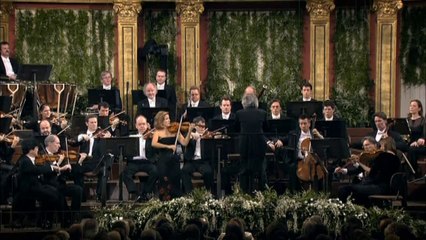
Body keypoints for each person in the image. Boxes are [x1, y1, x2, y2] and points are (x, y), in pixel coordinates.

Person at [14, 139, 64, 229]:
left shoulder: (32, 159)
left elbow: (38, 169)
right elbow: (36, 170)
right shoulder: (24, 160)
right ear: (31, 149)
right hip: (29, 189)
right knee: (52, 195)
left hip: (35, 186)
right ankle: (45, 220)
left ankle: (45, 220)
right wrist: (52, 167)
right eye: (36, 148)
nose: (38, 150)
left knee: (55, 192)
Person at [338, 136, 400, 206]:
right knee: (357, 190)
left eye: (381, 145)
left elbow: (373, 175)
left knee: (345, 189)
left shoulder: (382, 156)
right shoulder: (396, 158)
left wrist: (364, 182)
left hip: (380, 187)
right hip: (389, 188)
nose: (380, 147)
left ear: (384, 146)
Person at [270, 114, 324, 192]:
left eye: (305, 123)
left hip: (313, 161)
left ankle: (319, 193)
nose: (303, 126)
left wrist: (319, 135)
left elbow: (324, 142)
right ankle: (295, 193)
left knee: (320, 171)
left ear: (309, 124)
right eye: (301, 124)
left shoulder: (314, 134)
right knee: (292, 169)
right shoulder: (294, 133)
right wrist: (278, 141)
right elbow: (282, 138)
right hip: (298, 160)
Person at [151, 111, 194, 200]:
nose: (169, 120)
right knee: (164, 181)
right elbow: (154, 143)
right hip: (163, 159)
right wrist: (168, 146)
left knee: (175, 180)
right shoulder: (157, 132)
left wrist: (189, 131)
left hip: (174, 160)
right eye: (166, 119)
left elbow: (184, 143)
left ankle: (175, 200)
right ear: (161, 121)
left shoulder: (175, 130)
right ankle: (164, 200)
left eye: (169, 118)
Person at [42, 135, 82, 225]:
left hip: (60, 184)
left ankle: (74, 216)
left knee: (78, 190)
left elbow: (63, 175)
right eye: (57, 143)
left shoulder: (58, 155)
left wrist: (68, 170)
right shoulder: (42, 155)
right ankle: (65, 220)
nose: (59, 146)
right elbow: (46, 172)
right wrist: (59, 163)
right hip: (49, 185)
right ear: (50, 144)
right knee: (59, 194)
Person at [72, 114, 113, 201]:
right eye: (91, 122)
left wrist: (108, 138)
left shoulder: (102, 134)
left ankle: (99, 196)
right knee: (75, 170)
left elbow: (109, 148)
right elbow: (72, 142)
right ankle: (82, 196)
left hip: (98, 162)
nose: (94, 124)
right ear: (87, 123)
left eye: (95, 122)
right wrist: (81, 137)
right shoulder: (82, 134)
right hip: (85, 162)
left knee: (104, 171)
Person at [236, 93, 268, 193]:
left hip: (244, 146)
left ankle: (243, 194)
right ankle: (262, 194)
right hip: (259, 146)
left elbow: (235, 129)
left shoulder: (239, 113)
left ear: (244, 103)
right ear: (256, 102)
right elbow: (266, 128)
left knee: (243, 170)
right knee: (260, 170)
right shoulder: (262, 113)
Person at [122, 115, 158, 202]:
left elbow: (157, 152)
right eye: (139, 124)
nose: (142, 126)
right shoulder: (131, 137)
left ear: (147, 125)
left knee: (155, 172)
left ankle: (145, 193)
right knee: (125, 173)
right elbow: (125, 152)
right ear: (136, 126)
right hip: (134, 162)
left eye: (143, 124)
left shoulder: (152, 137)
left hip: (147, 162)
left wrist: (155, 138)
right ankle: (135, 193)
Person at [182, 116, 214, 194]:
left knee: (208, 172)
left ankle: (208, 193)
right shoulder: (191, 134)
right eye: (200, 126)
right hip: (192, 161)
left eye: (204, 126)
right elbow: (186, 138)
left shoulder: (207, 135)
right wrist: (193, 135)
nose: (203, 128)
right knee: (184, 171)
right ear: (195, 126)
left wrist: (208, 138)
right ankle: (188, 193)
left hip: (203, 161)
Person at [407, 99, 425, 176]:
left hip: (420, 145)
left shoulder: (423, 120)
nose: (411, 107)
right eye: (410, 106)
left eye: (414, 106)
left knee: (411, 149)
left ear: (419, 108)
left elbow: (424, 135)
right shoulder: (406, 120)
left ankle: (414, 173)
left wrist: (418, 141)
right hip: (408, 143)